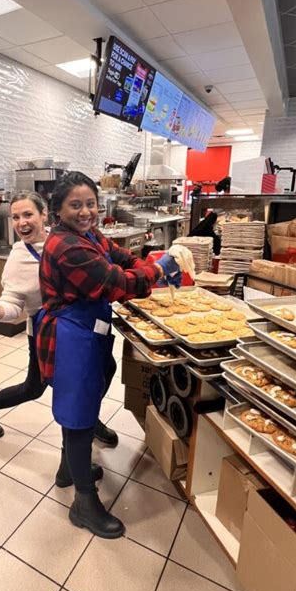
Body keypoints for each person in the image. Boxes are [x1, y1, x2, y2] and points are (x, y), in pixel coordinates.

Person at [36, 171, 182, 539]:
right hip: (71, 338)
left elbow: (120, 258)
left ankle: (70, 469)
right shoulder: (67, 247)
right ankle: (84, 503)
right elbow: (115, 283)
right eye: (75, 205)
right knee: (79, 416)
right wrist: (158, 270)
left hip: (90, 332)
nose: (86, 212)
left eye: (90, 204)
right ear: (57, 210)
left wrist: (149, 265)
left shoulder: (88, 236)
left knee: (91, 395)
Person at [0, 191, 118, 488]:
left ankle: (87, 423)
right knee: (36, 388)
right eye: (15, 217)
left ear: (44, 215)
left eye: (27, 214)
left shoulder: (64, 240)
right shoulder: (18, 259)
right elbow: (13, 306)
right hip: (49, 337)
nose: (21, 222)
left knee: (107, 370)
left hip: (86, 328)